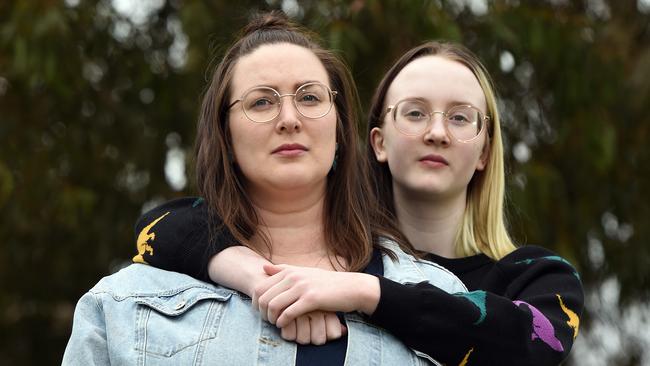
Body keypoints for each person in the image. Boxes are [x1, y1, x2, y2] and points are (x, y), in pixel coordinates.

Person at [132, 39, 585, 365]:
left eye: (461, 117)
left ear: (486, 150)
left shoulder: (536, 275)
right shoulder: (343, 253)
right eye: (414, 112)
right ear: (377, 142)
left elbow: (531, 343)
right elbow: (163, 226)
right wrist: (259, 277)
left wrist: (363, 292)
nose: (437, 131)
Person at [62, 12, 467, 366]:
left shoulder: (439, 295)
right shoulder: (124, 304)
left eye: (309, 97)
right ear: (226, 138)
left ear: (340, 128)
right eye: (261, 103)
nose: (290, 118)